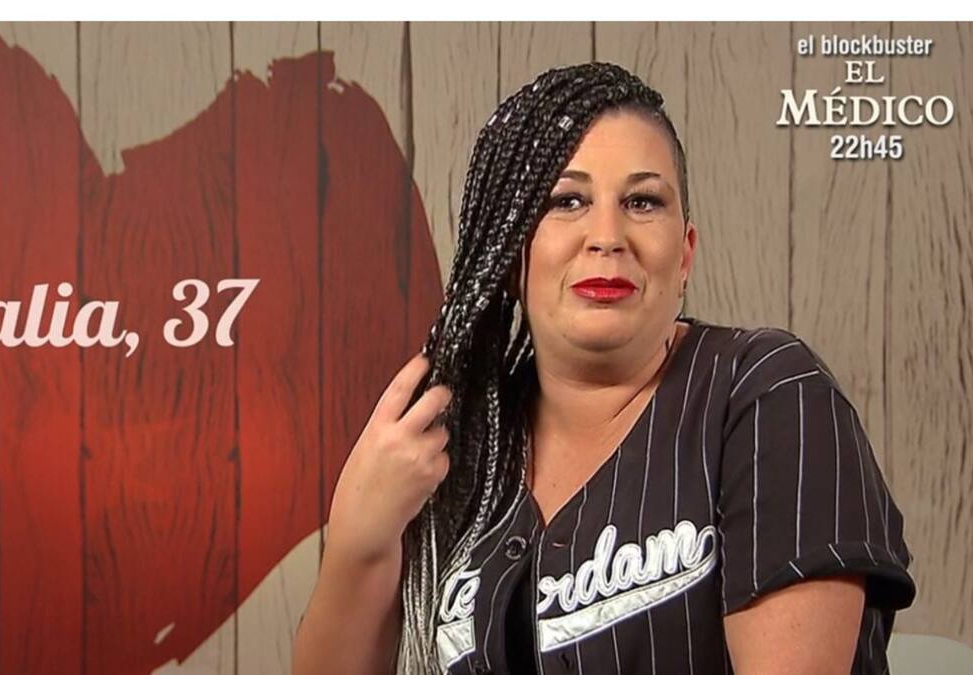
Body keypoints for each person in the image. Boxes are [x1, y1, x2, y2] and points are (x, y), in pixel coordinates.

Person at [292, 61, 916, 675]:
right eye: (568, 200)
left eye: (643, 202)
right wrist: (358, 541)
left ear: (684, 255)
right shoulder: (460, 454)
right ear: (509, 255)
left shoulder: (768, 396)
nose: (607, 235)